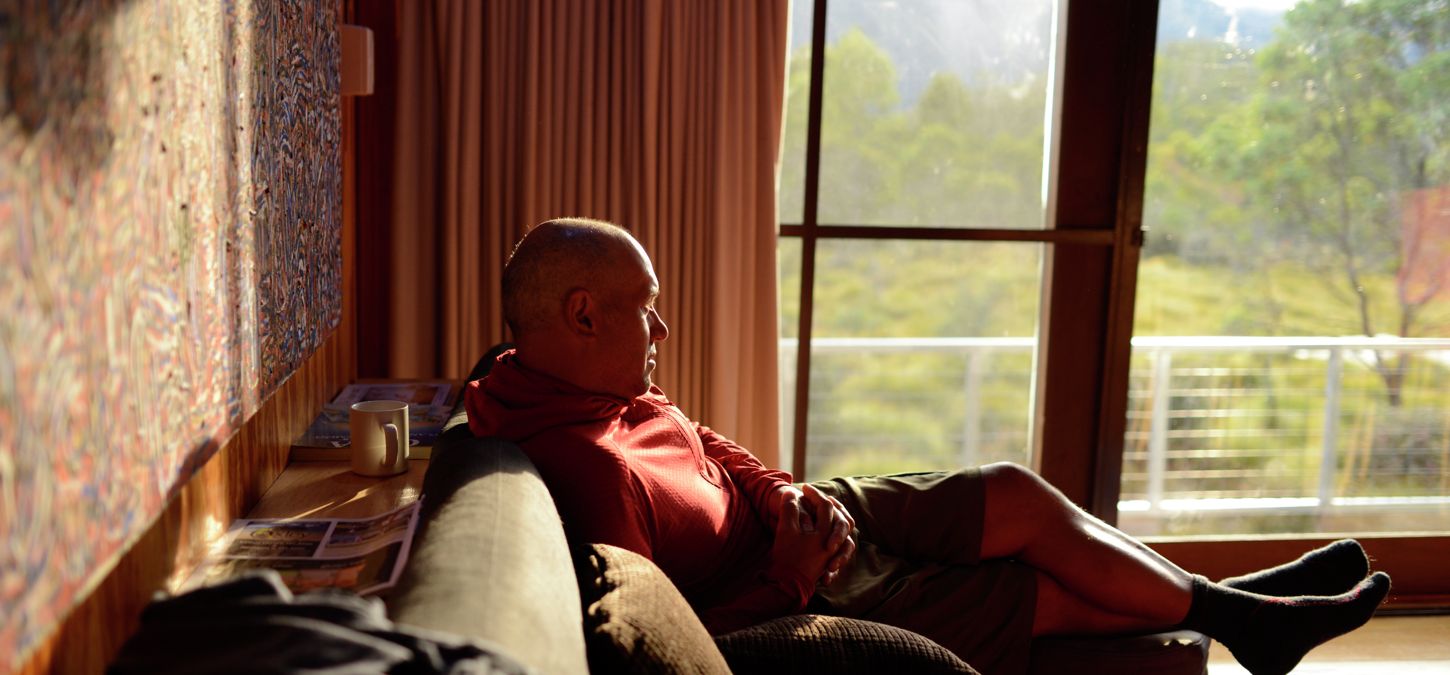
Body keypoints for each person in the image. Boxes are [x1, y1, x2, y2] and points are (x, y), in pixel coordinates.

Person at [464, 217, 1390, 675]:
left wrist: (783, 487)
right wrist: (790, 570)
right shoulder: (584, 465)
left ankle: (1234, 603)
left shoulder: (562, 379)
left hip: (806, 518)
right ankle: (1244, 615)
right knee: (1042, 592)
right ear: (583, 313)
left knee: (1014, 491)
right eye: (644, 305)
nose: (661, 324)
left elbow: (700, 436)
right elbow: (694, 633)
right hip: (807, 584)